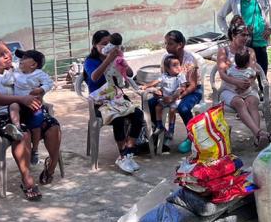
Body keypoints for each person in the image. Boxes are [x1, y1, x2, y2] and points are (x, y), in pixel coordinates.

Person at [0, 41, 62, 199]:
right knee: (22, 134)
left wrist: (39, 92)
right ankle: (27, 180)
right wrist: (21, 99)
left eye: (7, 51)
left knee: (52, 126)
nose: (7, 56)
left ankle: (51, 167)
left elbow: (36, 77)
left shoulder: (15, 69)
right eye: (0, 55)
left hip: (25, 111)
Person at [83, 30, 146, 173]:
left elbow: (129, 74)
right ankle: (123, 156)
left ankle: (127, 154)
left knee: (137, 114)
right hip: (100, 101)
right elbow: (94, 77)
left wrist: (121, 60)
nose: (107, 47)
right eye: (103, 44)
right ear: (94, 45)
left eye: (110, 44)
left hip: (117, 97)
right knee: (118, 118)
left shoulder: (116, 57)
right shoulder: (90, 61)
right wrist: (108, 59)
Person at [217, 17, 270, 146]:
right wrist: (236, 83)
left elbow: (252, 72)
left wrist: (244, 85)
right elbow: (222, 74)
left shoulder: (250, 51)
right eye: (243, 35)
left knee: (252, 102)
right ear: (234, 35)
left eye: (247, 35)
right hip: (229, 89)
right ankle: (259, 133)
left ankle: (257, 137)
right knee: (239, 102)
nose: (246, 38)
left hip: (249, 87)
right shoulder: (223, 51)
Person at [147, 30, 203, 153]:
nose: (167, 47)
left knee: (183, 108)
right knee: (150, 103)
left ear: (181, 44)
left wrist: (176, 97)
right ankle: (160, 130)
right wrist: (160, 91)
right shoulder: (166, 59)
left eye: (170, 44)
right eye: (166, 43)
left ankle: (192, 137)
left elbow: (193, 85)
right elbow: (164, 80)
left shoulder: (190, 60)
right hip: (171, 90)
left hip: (191, 91)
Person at [11, 49, 56, 167]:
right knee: (13, 107)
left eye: (24, 58)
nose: (21, 60)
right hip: (19, 103)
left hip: (33, 105)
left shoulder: (39, 74)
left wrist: (41, 89)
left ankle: (35, 150)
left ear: (34, 64)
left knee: (36, 128)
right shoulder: (16, 72)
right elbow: (7, 79)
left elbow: (49, 83)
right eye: (21, 58)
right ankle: (16, 128)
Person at [141, 55, 187, 141]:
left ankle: (171, 130)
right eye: (174, 65)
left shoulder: (180, 76)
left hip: (175, 98)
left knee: (172, 111)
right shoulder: (164, 76)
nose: (178, 67)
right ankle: (159, 126)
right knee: (158, 107)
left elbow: (183, 87)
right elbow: (156, 81)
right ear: (167, 69)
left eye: (179, 64)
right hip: (165, 98)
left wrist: (174, 96)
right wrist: (146, 86)